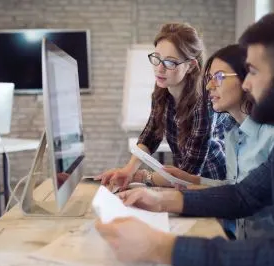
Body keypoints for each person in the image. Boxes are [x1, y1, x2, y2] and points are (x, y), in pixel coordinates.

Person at [96, 8, 274, 266]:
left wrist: (157, 246)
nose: (247, 84)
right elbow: (244, 196)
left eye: (252, 71)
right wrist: (159, 199)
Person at [145, 44, 274, 240]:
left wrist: (165, 200)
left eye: (218, 77)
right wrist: (192, 180)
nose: (209, 86)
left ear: (247, 79)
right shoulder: (234, 135)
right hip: (242, 243)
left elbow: (242, 197)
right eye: (209, 79)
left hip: (270, 252)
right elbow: (234, 186)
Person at [96, 23, 233, 190]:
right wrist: (128, 170)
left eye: (170, 62)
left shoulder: (203, 102)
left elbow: (188, 173)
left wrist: (141, 176)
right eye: (157, 58)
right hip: (181, 183)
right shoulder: (162, 90)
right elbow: (151, 134)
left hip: (211, 185)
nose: (159, 69)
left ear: (190, 65)